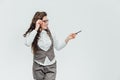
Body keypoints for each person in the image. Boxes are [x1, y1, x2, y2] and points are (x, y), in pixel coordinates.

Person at [23, 11, 77, 80]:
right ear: (38, 22)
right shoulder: (33, 33)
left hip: (51, 66)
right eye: (44, 21)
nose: (47, 23)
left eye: (47, 20)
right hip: (38, 67)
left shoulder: (51, 32)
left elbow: (58, 47)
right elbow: (27, 43)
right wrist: (36, 28)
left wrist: (68, 38)